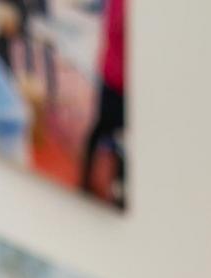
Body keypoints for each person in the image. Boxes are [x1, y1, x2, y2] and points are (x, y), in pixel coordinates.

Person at [79, 0, 127, 206]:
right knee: (102, 127)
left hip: (123, 80)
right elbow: (117, 27)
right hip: (114, 78)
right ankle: (86, 178)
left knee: (120, 138)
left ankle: (117, 186)